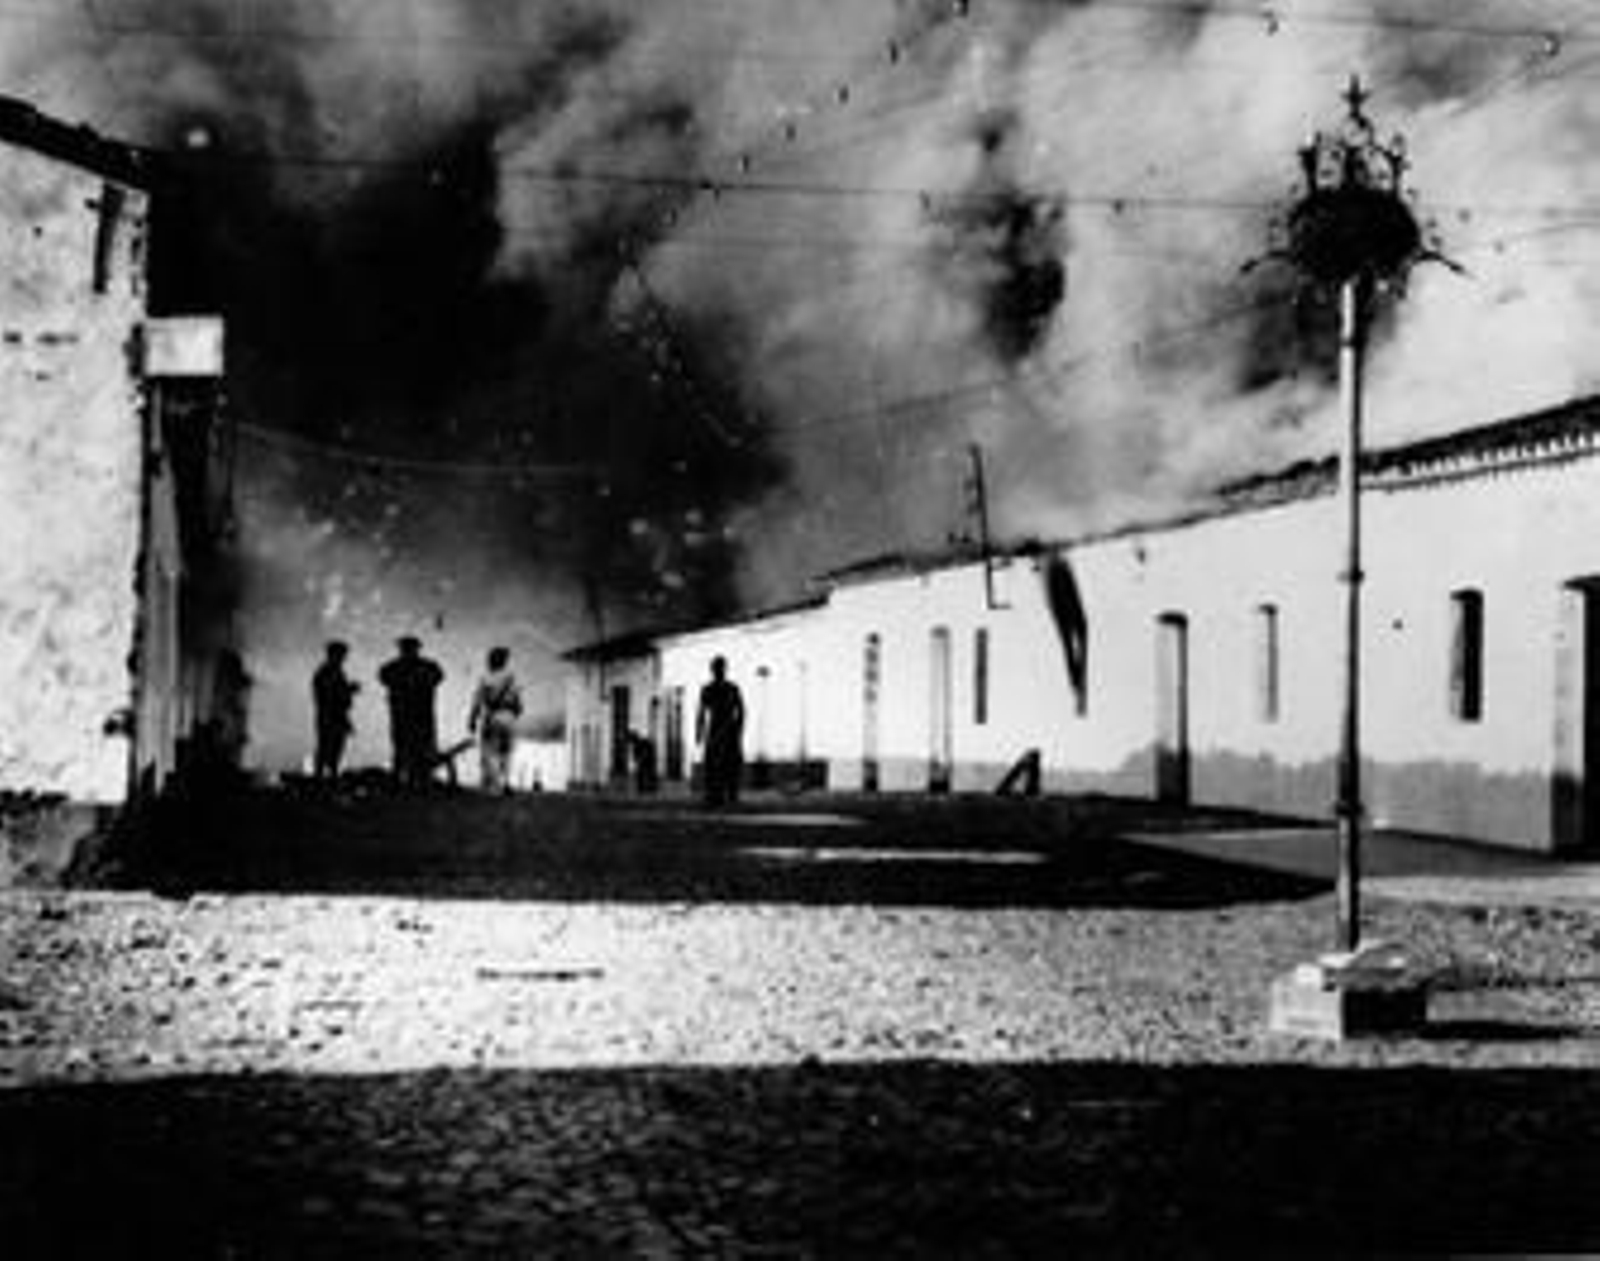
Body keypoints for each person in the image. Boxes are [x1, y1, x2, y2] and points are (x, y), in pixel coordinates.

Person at [378, 635, 445, 789]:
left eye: (409, 649)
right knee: (409, 747)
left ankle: (410, 780)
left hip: (411, 716)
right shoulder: (425, 666)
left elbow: (383, 677)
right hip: (414, 716)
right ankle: (413, 780)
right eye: (406, 649)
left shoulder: (395, 667)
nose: (408, 652)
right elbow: (438, 677)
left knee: (409, 748)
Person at [467, 646, 522, 794]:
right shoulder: (512, 679)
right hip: (509, 718)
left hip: (492, 717)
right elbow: (519, 706)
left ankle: (495, 786)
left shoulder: (485, 678)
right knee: (507, 752)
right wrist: (511, 715)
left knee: (491, 751)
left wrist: (472, 719)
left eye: (489, 659)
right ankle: (506, 783)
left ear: (492, 661)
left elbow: (477, 701)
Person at [695, 655, 745, 807]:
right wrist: (699, 731)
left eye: (720, 668)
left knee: (730, 764)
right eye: (717, 668)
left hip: (726, 729)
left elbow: (741, 710)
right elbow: (701, 712)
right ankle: (715, 794)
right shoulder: (709, 689)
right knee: (714, 764)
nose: (719, 671)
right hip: (718, 728)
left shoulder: (731, 688)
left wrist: (738, 729)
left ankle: (729, 794)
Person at [311, 641, 359, 780]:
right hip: (331, 716)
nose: (344, 658)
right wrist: (349, 690)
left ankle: (327, 775)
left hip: (333, 715)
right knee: (328, 746)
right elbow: (330, 696)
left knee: (333, 747)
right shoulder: (327, 672)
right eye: (342, 655)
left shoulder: (332, 671)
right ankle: (322, 775)